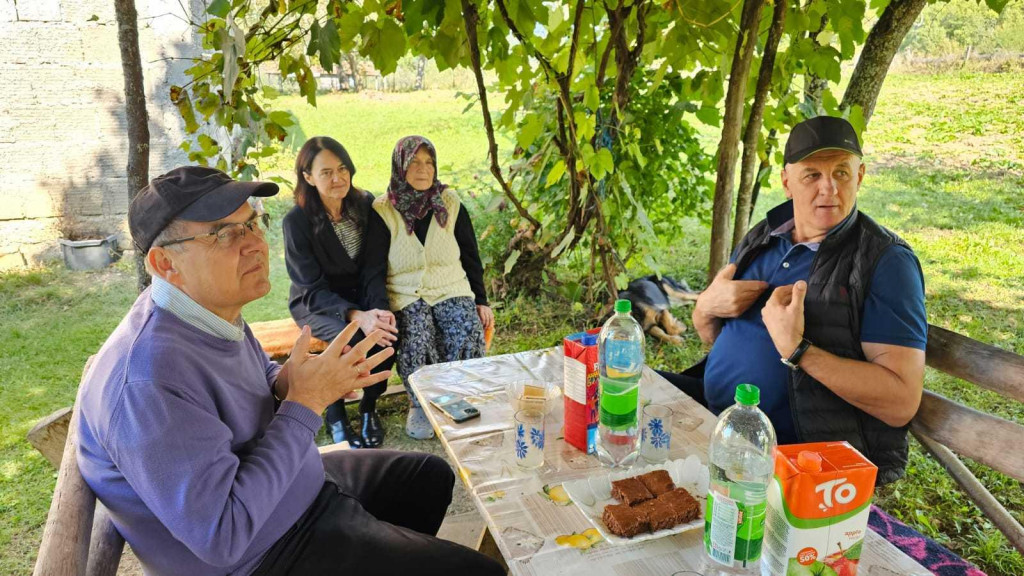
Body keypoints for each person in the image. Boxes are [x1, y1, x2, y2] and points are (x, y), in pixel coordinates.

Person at [76, 166, 504, 576]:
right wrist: (307, 401)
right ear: (165, 264)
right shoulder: (147, 381)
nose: (255, 245)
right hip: (260, 555)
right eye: (224, 234)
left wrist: (296, 378)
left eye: (253, 223)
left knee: (428, 478)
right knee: (479, 572)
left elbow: (258, 375)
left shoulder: (204, 310)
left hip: (291, 489)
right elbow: (222, 535)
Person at [666, 116, 927, 485]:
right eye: (812, 175)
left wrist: (798, 349)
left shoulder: (885, 262)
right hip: (716, 420)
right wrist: (704, 308)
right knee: (609, 392)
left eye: (841, 173)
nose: (829, 189)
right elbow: (717, 336)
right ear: (786, 181)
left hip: (793, 459)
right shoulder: (767, 234)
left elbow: (901, 402)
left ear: (861, 175)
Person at [363, 135, 494, 440]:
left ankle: (461, 395)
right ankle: (420, 402)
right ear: (400, 167)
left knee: (464, 327)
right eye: (415, 162)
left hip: (451, 287)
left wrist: (482, 300)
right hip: (406, 293)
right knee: (416, 334)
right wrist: (381, 310)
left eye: (429, 162)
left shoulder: (450, 202)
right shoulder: (383, 209)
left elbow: (471, 254)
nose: (423, 170)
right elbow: (373, 268)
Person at [283, 136, 398, 448]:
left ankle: (368, 407)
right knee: (348, 338)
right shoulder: (297, 222)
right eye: (326, 172)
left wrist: (378, 312)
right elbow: (310, 287)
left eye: (342, 169)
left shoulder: (364, 206)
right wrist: (356, 316)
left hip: (362, 297)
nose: (338, 178)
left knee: (387, 331)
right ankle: (335, 414)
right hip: (317, 304)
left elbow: (374, 269)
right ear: (308, 177)